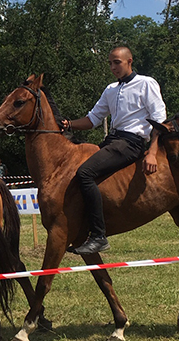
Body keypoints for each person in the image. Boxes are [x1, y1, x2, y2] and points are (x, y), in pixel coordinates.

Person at [59, 47, 166, 255]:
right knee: (81, 173)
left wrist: (152, 152)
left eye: (116, 62)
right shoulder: (110, 89)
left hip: (131, 142)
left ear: (129, 61)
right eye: (110, 63)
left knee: (85, 173)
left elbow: (159, 120)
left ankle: (99, 236)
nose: (112, 67)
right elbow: (92, 120)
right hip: (112, 141)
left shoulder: (146, 83)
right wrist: (68, 124)